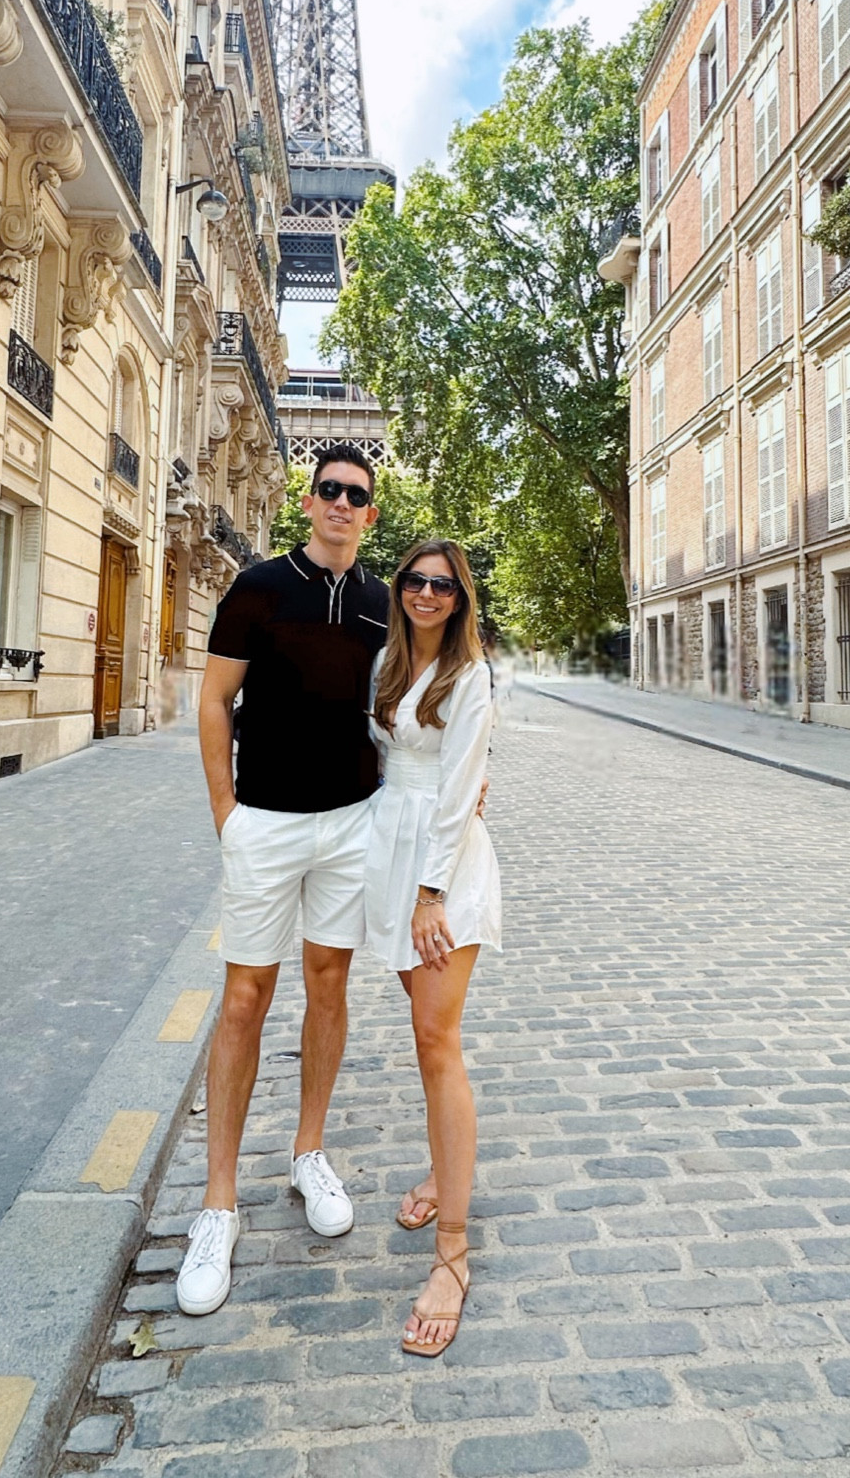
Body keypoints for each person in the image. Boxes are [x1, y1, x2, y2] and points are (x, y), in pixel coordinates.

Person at [175, 443, 390, 1317]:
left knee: (329, 985)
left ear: (370, 514)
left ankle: (308, 1155)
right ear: (309, 503)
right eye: (330, 491)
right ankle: (217, 1206)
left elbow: (412, 702)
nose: (342, 503)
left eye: (357, 495)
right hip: (264, 821)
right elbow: (214, 699)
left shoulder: (383, 602)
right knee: (243, 1000)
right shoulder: (259, 586)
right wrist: (228, 812)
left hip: (349, 825)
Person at [366, 538, 500, 1358]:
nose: (426, 593)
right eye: (415, 580)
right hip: (386, 851)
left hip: (441, 873)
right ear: (401, 589)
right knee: (424, 1037)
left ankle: (453, 1252)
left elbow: (456, 792)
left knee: (438, 1043)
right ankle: (438, 1172)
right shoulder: (384, 662)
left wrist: (430, 895)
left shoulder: (471, 675)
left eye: (442, 586)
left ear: (459, 599)